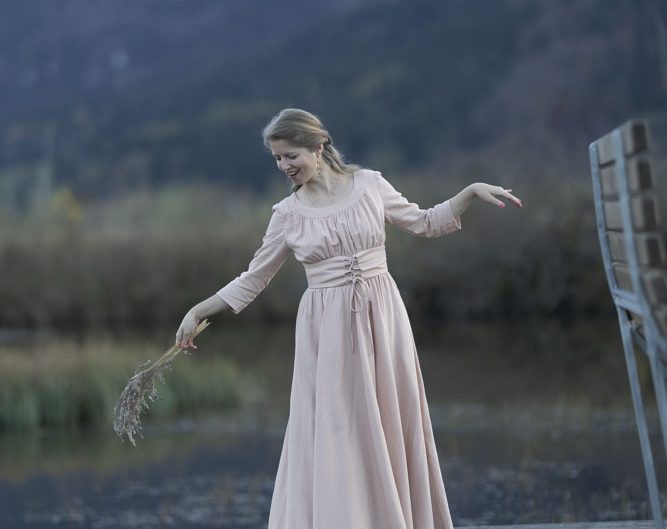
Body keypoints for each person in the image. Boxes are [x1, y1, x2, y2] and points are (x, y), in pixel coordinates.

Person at [175, 108, 522, 529]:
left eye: (290, 156)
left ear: (318, 147)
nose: (284, 166)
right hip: (327, 332)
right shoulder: (287, 214)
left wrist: (470, 191)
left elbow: (425, 222)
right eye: (277, 159)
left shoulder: (369, 185)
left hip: (383, 319)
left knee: (392, 420)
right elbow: (253, 279)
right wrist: (196, 311)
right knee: (337, 430)